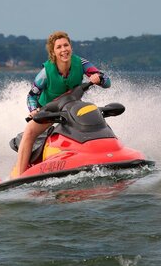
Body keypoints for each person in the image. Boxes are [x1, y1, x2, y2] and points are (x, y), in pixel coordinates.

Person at [13, 31, 111, 177]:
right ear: (53, 52)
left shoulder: (82, 63)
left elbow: (107, 81)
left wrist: (99, 78)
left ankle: (110, 154)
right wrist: (34, 110)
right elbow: (32, 95)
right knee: (29, 132)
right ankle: (19, 176)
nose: (63, 49)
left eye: (66, 45)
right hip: (50, 111)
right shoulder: (45, 73)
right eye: (59, 47)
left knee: (95, 121)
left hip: (73, 107)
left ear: (71, 47)